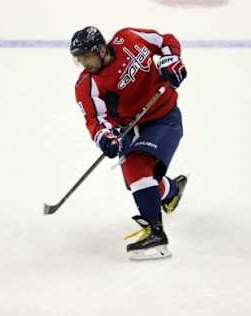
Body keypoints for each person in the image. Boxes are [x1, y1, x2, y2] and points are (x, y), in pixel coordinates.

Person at [70, 26, 188, 260]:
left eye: (87, 57)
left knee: (136, 166)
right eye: (79, 59)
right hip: (129, 130)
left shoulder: (128, 38)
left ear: (102, 50)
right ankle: (171, 190)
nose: (84, 63)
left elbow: (165, 40)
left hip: (164, 117)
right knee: (141, 181)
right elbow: (96, 119)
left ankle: (156, 236)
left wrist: (171, 60)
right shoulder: (88, 85)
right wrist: (106, 137)